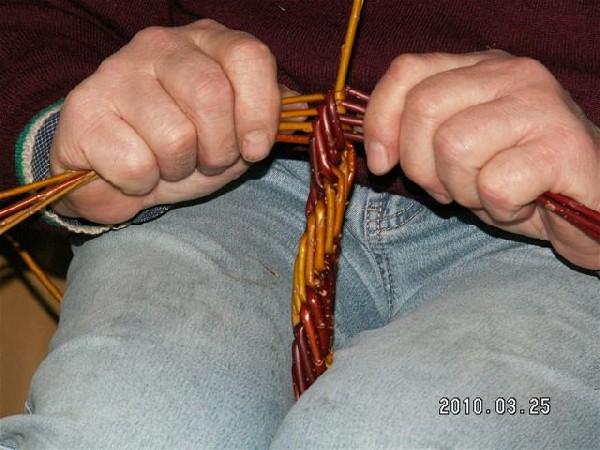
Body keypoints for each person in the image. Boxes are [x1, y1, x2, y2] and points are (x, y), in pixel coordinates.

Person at [0, 0, 598, 448]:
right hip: (221, 168)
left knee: (405, 429)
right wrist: (71, 132)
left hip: (563, 214)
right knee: (123, 425)